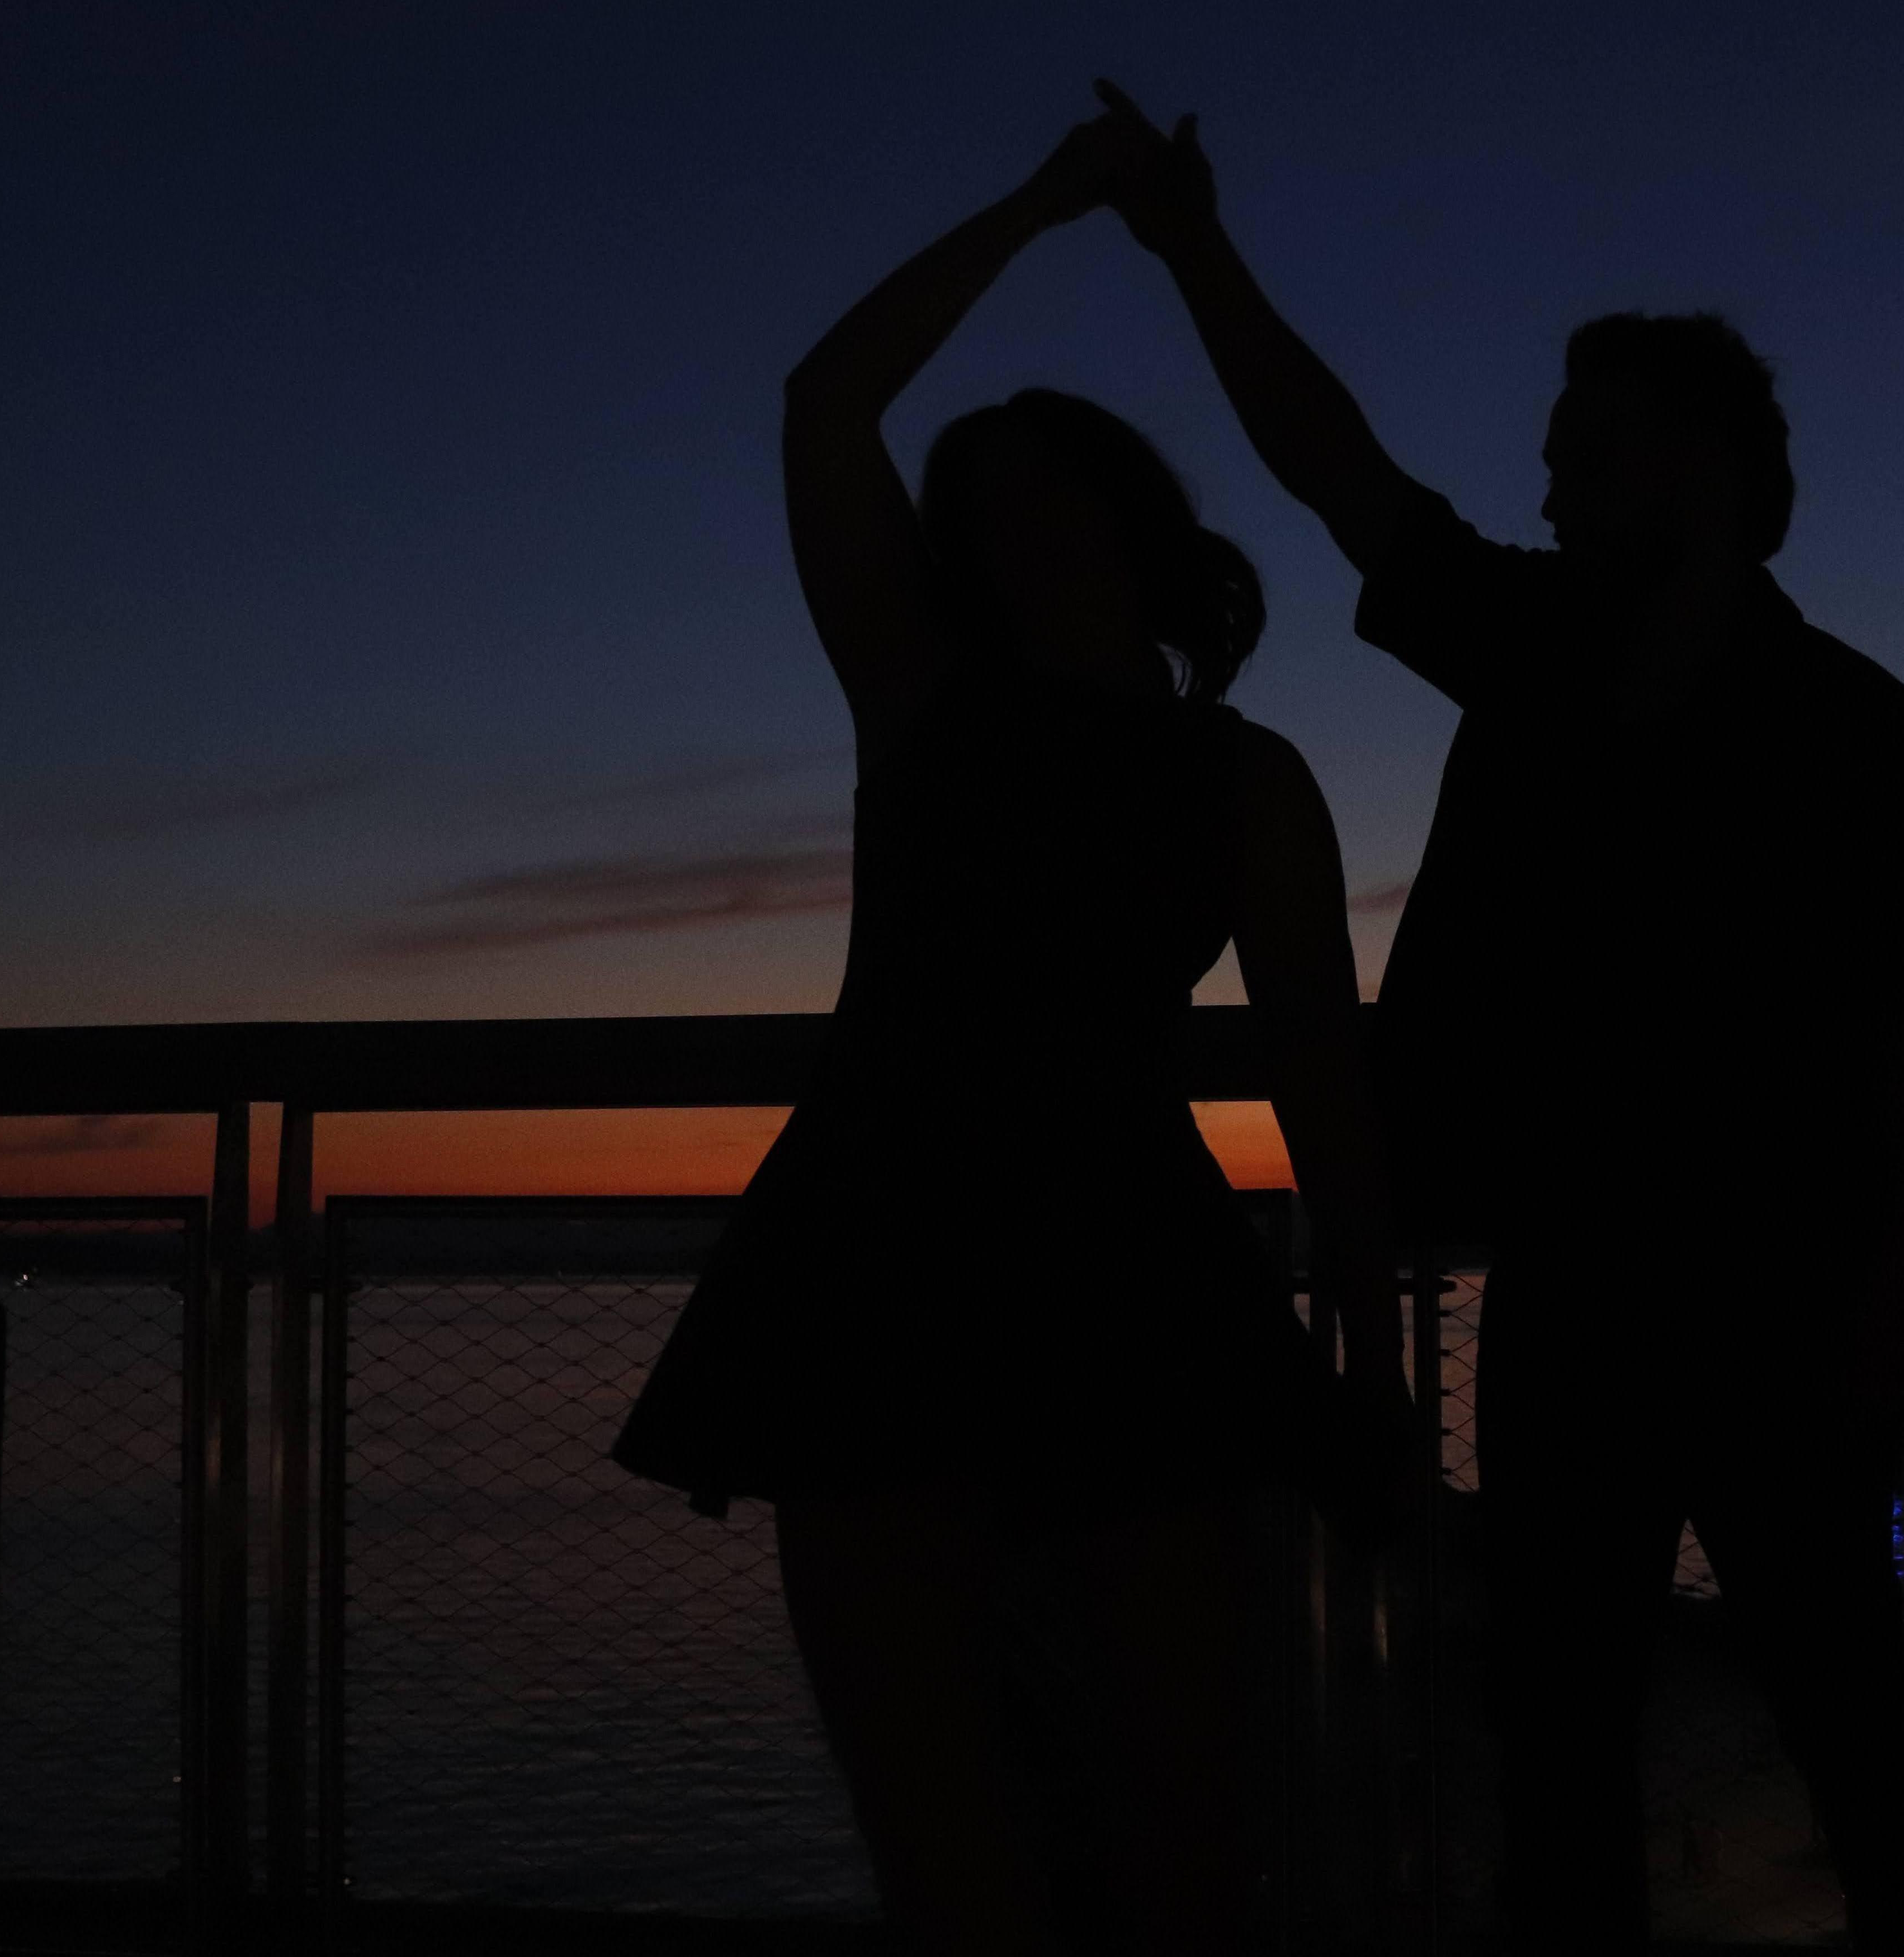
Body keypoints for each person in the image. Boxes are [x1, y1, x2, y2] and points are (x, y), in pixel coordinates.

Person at [1092, 83, 1904, 1953]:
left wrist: (1889, 1308)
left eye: (1588, 449)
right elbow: (1330, 462)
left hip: (1777, 1309)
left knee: (1851, 1735)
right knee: (1568, 1748)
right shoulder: (1545, 650)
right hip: (1574, 1294)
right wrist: (1192, 245)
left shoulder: (1857, 731)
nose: (1552, 484)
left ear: (1704, 466)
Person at [610, 103, 1406, 1957]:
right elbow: (827, 401)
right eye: (980, 510)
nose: (1011, 530)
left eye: (1048, 495)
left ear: (1135, 526)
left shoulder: (1245, 778)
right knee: (941, 1841)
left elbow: (1324, 1075)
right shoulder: (921, 694)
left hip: (1128, 1273)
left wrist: (1372, 1358)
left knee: (1184, 1829)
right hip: (876, 1262)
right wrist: (1043, 207)